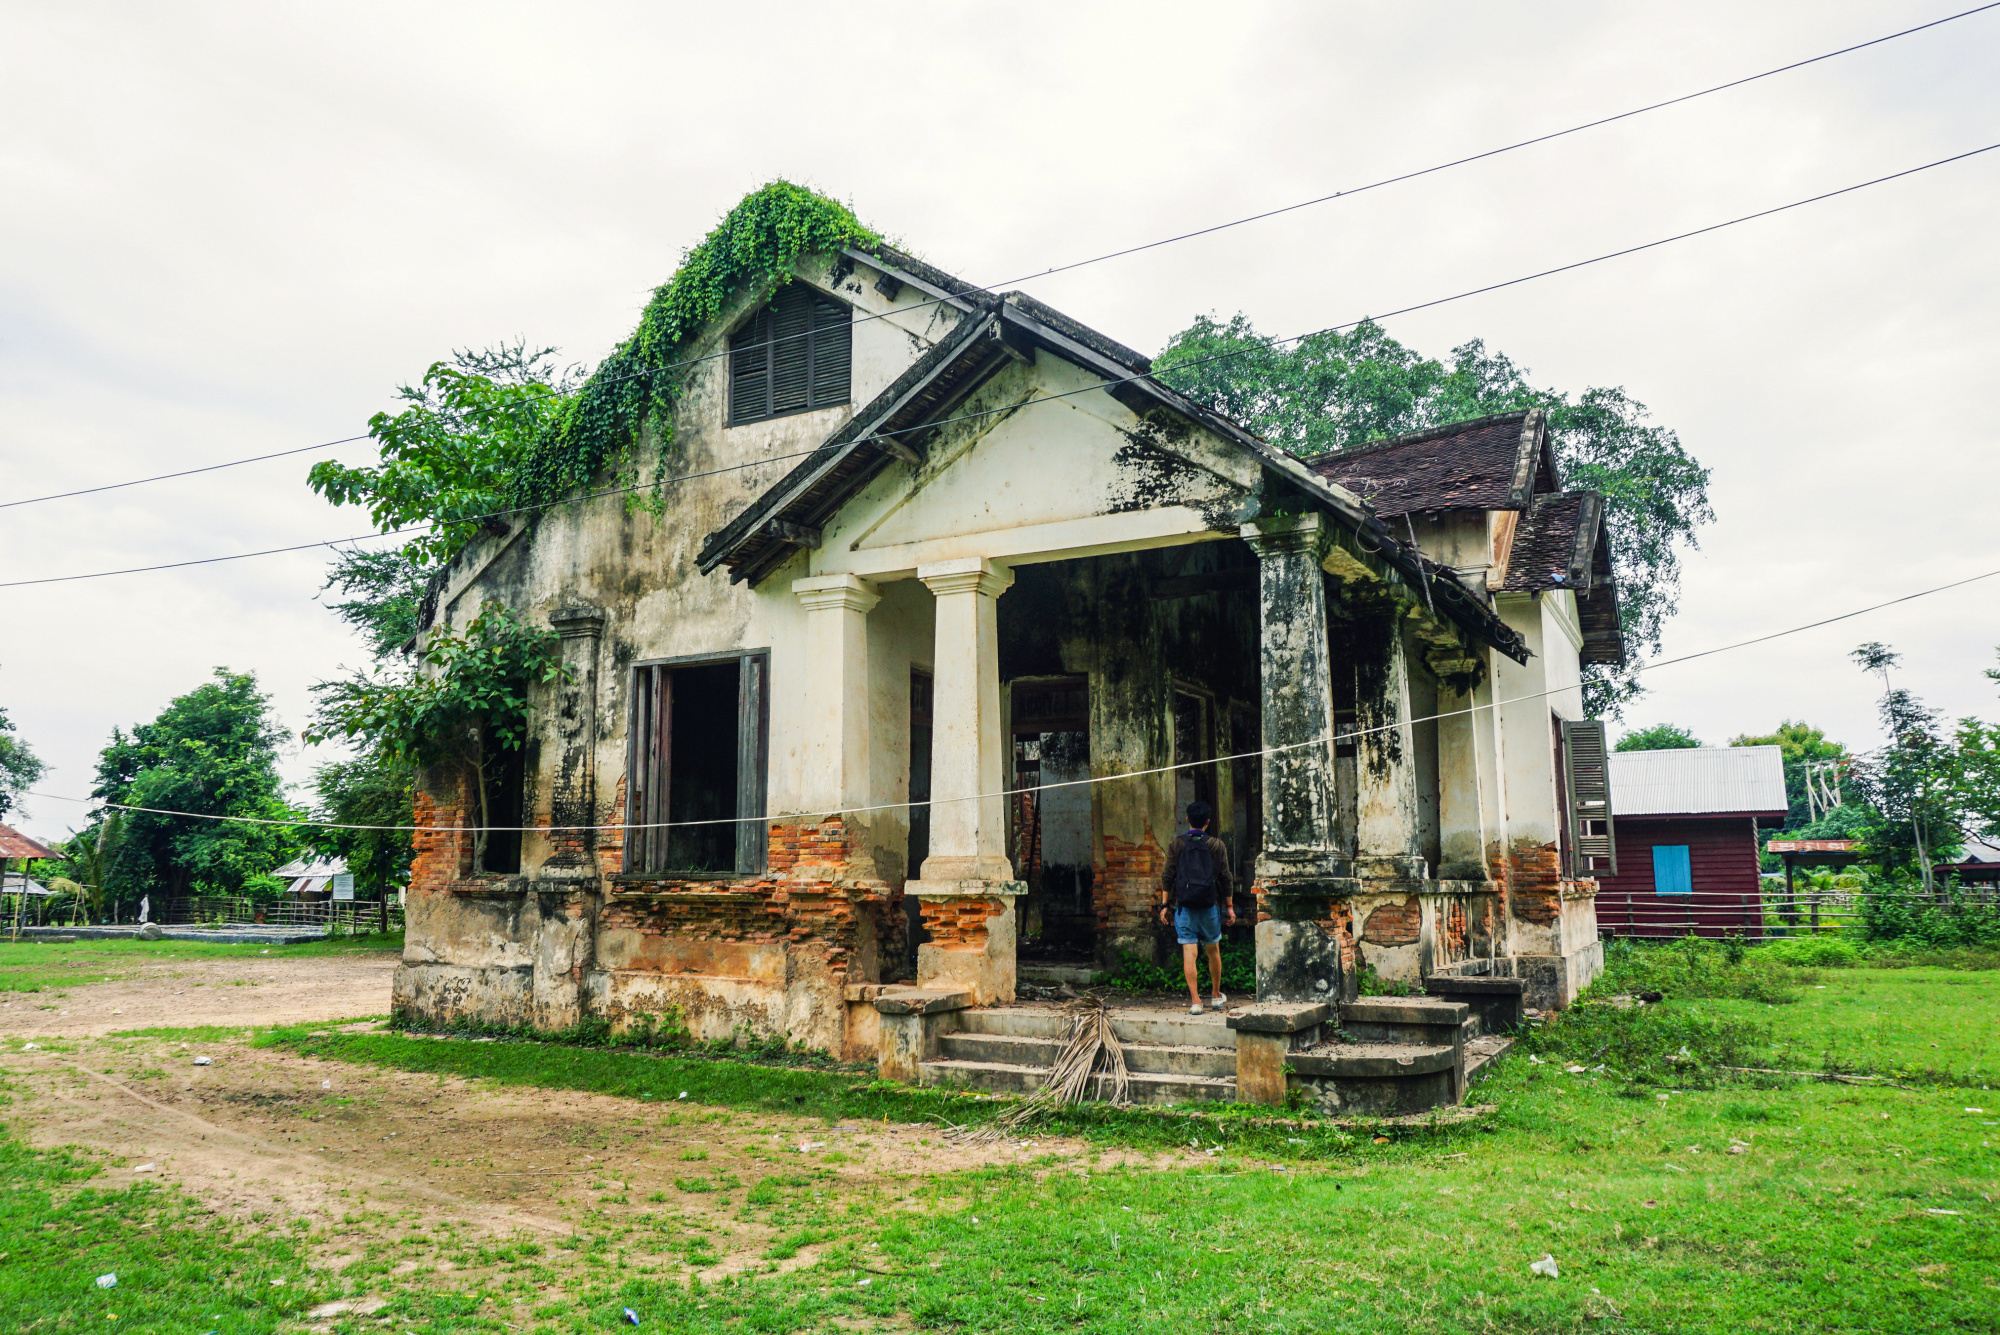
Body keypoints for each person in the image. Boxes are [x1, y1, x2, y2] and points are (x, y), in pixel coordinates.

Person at [1158, 800, 1236, 1014]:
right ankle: (1216, 995)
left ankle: (1195, 1001)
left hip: (1185, 907)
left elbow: (1168, 877)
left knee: (1189, 953)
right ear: (1208, 822)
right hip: (1209, 905)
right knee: (1213, 950)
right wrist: (1229, 907)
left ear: (1187, 820)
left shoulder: (1177, 844)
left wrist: (1165, 905)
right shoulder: (1217, 845)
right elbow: (1225, 878)